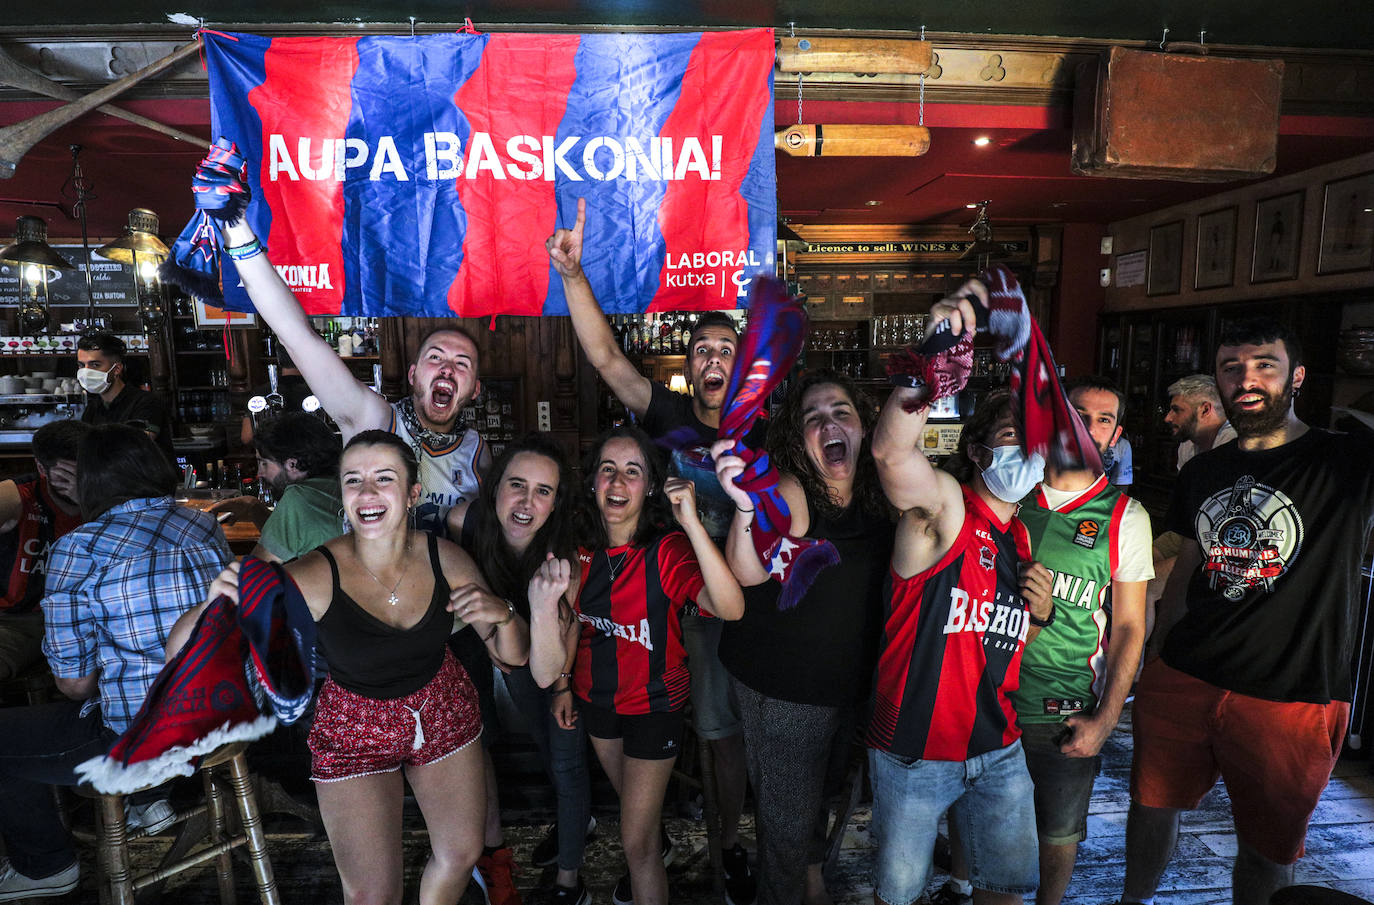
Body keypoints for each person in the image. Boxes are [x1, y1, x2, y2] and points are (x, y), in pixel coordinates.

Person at [185, 430, 528, 905]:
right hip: (355, 727)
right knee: (370, 894)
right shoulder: (314, 574)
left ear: (412, 493)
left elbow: (514, 655)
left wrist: (504, 614)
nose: (366, 493)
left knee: (460, 853)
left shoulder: (446, 557)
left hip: (441, 706)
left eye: (383, 479)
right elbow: (183, 651)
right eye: (353, 481)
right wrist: (213, 608)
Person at [548, 197, 758, 905]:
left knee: (722, 734)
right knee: (647, 726)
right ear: (689, 363)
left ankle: (726, 845)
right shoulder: (664, 417)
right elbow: (606, 358)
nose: (713, 359)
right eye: (703, 350)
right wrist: (574, 276)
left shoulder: (764, 428)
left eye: (726, 349)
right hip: (661, 598)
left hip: (726, 603)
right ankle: (652, 836)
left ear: (743, 363)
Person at [1122, 317, 1374, 905]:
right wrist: (1157, 657)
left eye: (1265, 364)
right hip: (1184, 675)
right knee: (1150, 811)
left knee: (1267, 851)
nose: (1247, 378)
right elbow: (1189, 565)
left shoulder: (1347, 461)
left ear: (1297, 377)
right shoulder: (1204, 469)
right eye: (1232, 367)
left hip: (1290, 694)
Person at [868, 282, 1053, 905]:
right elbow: (892, 453)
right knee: (900, 896)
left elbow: (999, 635)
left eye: (1033, 438)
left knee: (1004, 891)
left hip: (999, 748)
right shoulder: (944, 510)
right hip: (917, 752)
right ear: (977, 451)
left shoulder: (1023, 541)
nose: (1025, 450)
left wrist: (1043, 610)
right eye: (1010, 436)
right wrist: (931, 368)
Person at [0, 424, 230, 901]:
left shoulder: (78, 548)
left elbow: (75, 686)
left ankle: (46, 867)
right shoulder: (202, 523)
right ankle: (149, 799)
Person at [528, 426, 744, 905]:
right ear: (592, 482)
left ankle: (649, 859)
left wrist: (689, 522)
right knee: (635, 815)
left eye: (632, 471)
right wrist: (562, 686)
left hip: (655, 706)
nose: (618, 482)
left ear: (649, 486)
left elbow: (731, 607)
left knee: (635, 843)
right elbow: (571, 629)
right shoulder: (578, 550)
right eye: (608, 470)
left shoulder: (666, 551)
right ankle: (654, 847)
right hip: (595, 702)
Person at [709, 371, 894, 905]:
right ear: (797, 437)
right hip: (781, 683)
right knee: (786, 823)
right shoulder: (791, 490)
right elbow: (747, 572)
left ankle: (811, 881)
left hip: (848, 684)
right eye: (812, 417)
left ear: (863, 426)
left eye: (841, 411)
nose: (828, 424)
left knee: (820, 796)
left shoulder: (880, 491)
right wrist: (746, 510)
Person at [218, 214, 489, 536]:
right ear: (414, 375)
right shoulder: (373, 418)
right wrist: (237, 231)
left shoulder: (476, 450)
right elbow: (297, 336)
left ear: (474, 389)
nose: (447, 368)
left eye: (462, 363)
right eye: (435, 357)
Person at [448, 434, 592, 905]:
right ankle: (577, 823)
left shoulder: (563, 559)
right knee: (546, 753)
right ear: (494, 489)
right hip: (499, 654)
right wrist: (501, 632)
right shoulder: (463, 523)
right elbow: (485, 630)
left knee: (566, 760)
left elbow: (551, 669)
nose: (527, 502)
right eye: (517, 484)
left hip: (560, 665)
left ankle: (571, 882)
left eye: (543, 491)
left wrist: (539, 606)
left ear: (555, 505)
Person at [0, 420, 87, 680]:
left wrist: (91, 501)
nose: (78, 484)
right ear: (41, 468)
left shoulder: (108, 496)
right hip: (19, 622)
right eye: (65, 476)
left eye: (85, 474)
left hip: (86, 618)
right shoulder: (17, 497)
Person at [210, 411, 343, 563]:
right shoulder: (338, 484)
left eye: (264, 463)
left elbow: (253, 573)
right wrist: (253, 506)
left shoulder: (298, 498)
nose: (260, 473)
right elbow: (290, 539)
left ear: (293, 464)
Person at [76, 332, 173, 462]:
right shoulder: (93, 408)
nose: (86, 372)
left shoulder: (146, 402)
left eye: (95, 365)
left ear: (117, 369)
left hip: (146, 481)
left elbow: (137, 445)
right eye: (82, 365)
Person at [1164, 374, 1236, 471]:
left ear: (1205, 410)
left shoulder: (1235, 445)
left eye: (1176, 410)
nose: (1168, 418)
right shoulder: (1188, 444)